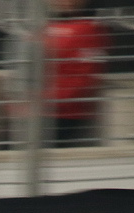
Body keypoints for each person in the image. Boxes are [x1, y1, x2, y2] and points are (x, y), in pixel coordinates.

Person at [0, 0, 109, 148]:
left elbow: (81, 82)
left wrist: (37, 102)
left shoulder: (90, 29)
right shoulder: (44, 27)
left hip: (60, 117)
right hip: (30, 113)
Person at [41, 0, 110, 147]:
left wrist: (45, 101)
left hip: (63, 115)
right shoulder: (46, 27)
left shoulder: (90, 29)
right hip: (36, 110)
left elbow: (83, 78)